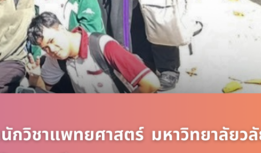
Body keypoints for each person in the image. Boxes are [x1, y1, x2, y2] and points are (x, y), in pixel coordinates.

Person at [25, 12, 160, 93]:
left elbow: (151, 83)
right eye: (45, 48)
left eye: (52, 41)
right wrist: (35, 77)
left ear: (61, 28)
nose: (52, 50)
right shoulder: (55, 57)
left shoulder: (102, 45)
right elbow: (44, 91)